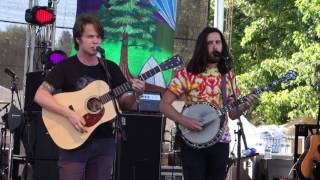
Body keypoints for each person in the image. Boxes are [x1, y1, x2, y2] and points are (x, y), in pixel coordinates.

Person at [34, 15, 145, 180]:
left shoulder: (110, 68)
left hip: (104, 142)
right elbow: (40, 95)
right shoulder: (65, 67)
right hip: (73, 139)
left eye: (99, 37)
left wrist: (136, 94)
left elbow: (124, 104)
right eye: (90, 36)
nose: (96, 41)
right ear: (78, 39)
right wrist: (69, 114)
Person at [159, 27, 257, 180]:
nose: (215, 46)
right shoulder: (186, 73)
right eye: (210, 43)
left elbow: (232, 114)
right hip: (192, 142)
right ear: (202, 47)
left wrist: (244, 105)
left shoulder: (228, 75)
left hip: (220, 141)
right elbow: (163, 105)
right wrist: (184, 120)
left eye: (218, 42)